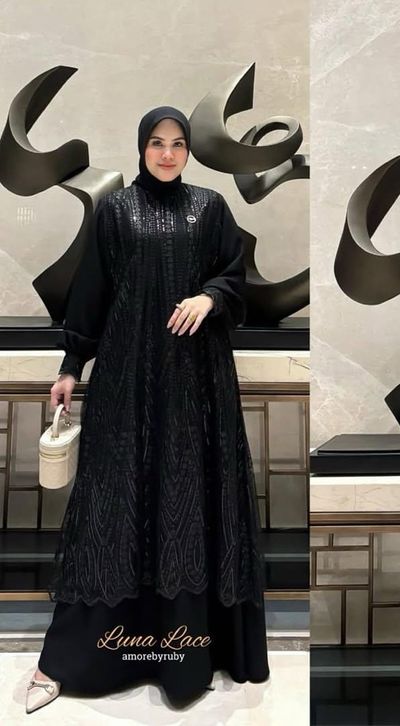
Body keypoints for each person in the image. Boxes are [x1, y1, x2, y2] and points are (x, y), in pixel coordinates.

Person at [26, 106, 269, 714]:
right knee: (113, 503)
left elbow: (236, 277)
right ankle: (72, 659)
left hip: (195, 383)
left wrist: (210, 297)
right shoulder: (115, 211)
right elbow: (91, 291)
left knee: (187, 498)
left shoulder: (210, 208)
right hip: (126, 381)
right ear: (141, 147)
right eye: (157, 143)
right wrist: (71, 367)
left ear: (188, 151)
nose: (166, 154)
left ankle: (186, 660)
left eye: (177, 144)